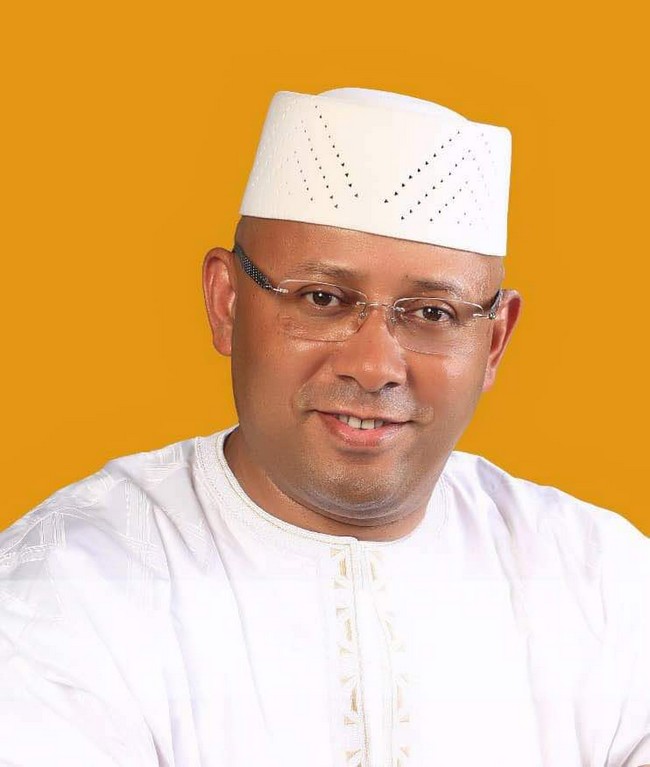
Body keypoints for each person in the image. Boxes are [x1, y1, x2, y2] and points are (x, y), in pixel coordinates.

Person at [0, 88, 648, 767]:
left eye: (432, 313)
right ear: (226, 302)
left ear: (493, 343)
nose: (373, 367)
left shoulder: (605, 586)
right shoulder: (66, 589)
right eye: (322, 298)